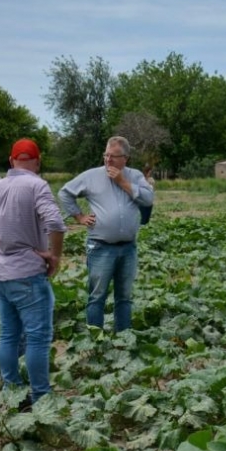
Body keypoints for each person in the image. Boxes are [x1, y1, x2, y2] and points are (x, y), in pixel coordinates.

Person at [0, 138, 67, 406]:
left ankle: (12, 390)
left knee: (8, 334)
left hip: (0, 274)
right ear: (38, 161)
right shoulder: (37, 185)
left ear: (11, 161)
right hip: (28, 275)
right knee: (38, 337)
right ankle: (41, 396)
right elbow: (55, 222)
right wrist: (54, 256)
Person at [58, 136, 154, 332]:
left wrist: (123, 182)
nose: (108, 160)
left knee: (124, 297)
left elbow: (148, 199)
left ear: (125, 158)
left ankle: (123, 339)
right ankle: (94, 342)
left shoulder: (135, 176)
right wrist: (79, 217)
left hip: (128, 248)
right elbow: (64, 193)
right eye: (106, 155)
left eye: (114, 156)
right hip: (101, 247)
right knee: (97, 296)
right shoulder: (91, 175)